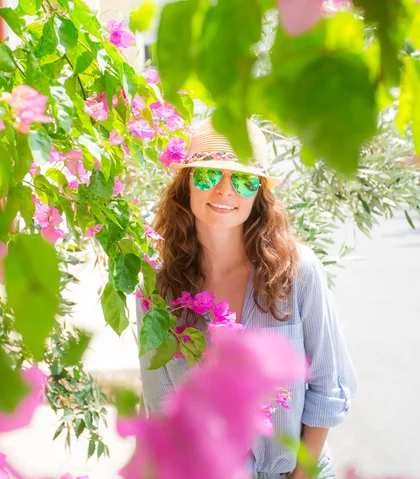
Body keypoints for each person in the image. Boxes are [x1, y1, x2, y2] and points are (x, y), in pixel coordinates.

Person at [136, 117, 357, 478]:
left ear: (258, 192)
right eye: (208, 175)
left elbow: (328, 385)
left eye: (242, 179)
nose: (225, 191)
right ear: (186, 184)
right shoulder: (158, 283)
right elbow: (161, 400)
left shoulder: (297, 271)